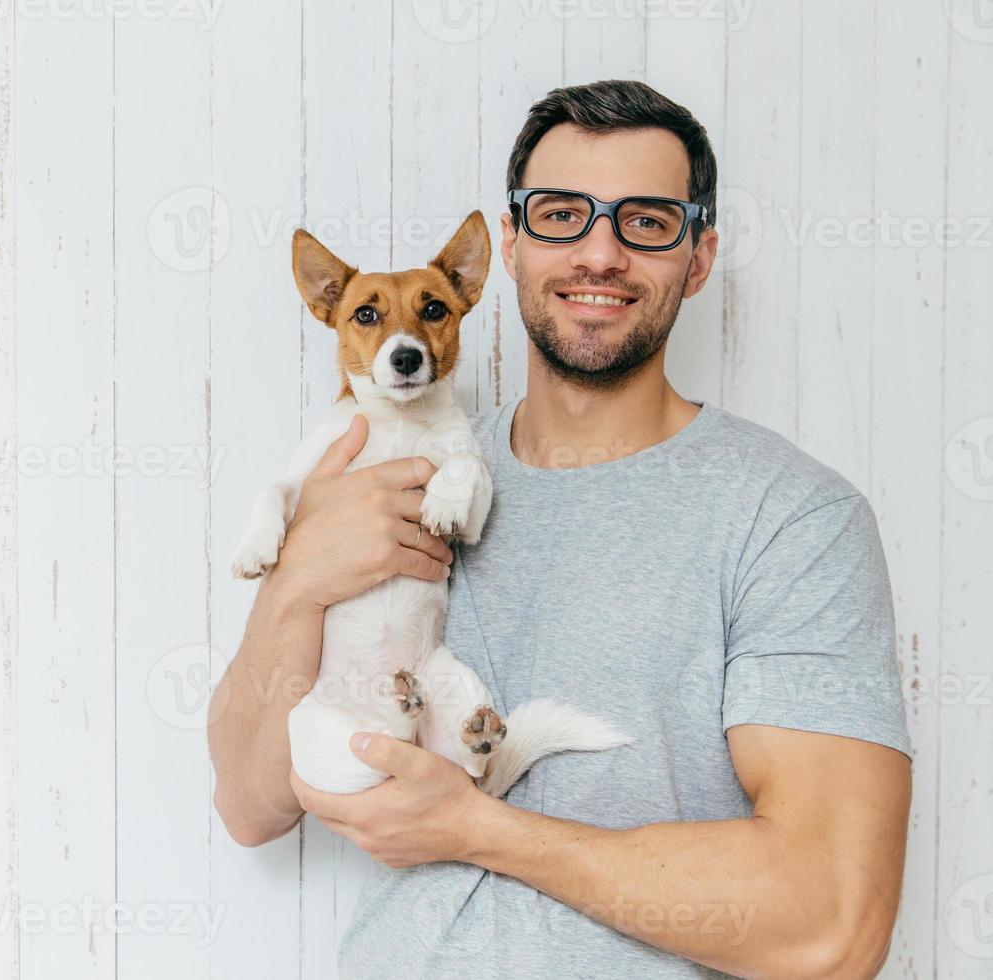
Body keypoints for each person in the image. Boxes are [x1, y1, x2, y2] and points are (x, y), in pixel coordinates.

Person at [207, 78, 911, 979]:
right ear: (508, 247)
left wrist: (477, 830)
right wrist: (297, 580)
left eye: (648, 221)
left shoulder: (793, 521)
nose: (601, 253)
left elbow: (832, 925)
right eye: (562, 214)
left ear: (699, 257)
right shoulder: (390, 474)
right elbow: (246, 805)